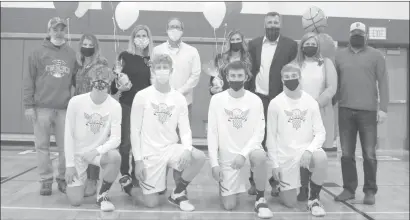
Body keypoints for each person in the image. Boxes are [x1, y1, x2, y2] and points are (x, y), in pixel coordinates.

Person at [130, 54, 206, 211]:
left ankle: (177, 193)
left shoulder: (179, 98)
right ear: (152, 70)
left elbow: (185, 129)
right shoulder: (142, 96)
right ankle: (128, 188)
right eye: (158, 67)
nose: (162, 71)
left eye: (165, 68)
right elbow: (135, 131)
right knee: (151, 203)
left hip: (170, 148)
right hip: (149, 152)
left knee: (198, 157)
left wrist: (186, 149)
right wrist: (138, 161)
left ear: (171, 70)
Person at [207, 61, 273, 219]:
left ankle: (260, 199)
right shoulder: (216, 100)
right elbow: (212, 133)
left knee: (260, 156)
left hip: (248, 153)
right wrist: (214, 164)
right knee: (229, 206)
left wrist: (243, 154)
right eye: (233, 76)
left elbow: (259, 132)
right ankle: (226, 184)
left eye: (240, 76)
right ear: (227, 77)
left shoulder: (255, 100)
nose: (236, 79)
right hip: (227, 158)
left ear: (246, 77)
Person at [334, 22, 389, 205]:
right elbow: (334, 85)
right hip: (345, 111)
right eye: (354, 33)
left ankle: (370, 191)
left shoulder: (376, 56)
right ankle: (349, 189)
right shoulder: (339, 56)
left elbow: (383, 82)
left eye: (360, 33)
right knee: (346, 153)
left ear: (366, 36)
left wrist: (383, 109)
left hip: (368, 112)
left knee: (369, 154)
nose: (357, 35)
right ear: (349, 35)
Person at [23, 17, 77, 196]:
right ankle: (46, 180)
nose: (59, 32)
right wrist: (28, 105)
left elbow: (77, 79)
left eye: (62, 29)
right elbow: (28, 79)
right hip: (42, 108)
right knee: (42, 147)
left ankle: (63, 179)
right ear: (48, 31)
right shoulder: (37, 52)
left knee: (65, 147)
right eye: (55, 29)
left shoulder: (71, 53)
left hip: (64, 109)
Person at [266, 63, 327, 217]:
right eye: (287, 77)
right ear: (282, 80)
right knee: (290, 203)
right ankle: (276, 182)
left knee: (321, 157)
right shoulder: (275, 103)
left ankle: (314, 199)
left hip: (305, 152)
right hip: (285, 156)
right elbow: (271, 137)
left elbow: (320, 132)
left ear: (300, 78)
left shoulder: (311, 102)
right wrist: (274, 164)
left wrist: (309, 150)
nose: (291, 80)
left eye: (294, 77)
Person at [247, 11, 298, 196]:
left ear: (280, 24)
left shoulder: (290, 45)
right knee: (257, 141)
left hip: (279, 100)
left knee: (279, 141)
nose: (272, 25)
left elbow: (292, 71)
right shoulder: (253, 44)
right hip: (258, 98)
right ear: (264, 24)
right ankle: (254, 181)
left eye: (276, 22)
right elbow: (249, 69)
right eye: (269, 22)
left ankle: (276, 181)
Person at [152, 17, 201, 195]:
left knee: (180, 145)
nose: (174, 29)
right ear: (166, 29)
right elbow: (153, 73)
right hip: (161, 105)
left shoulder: (192, 51)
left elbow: (195, 76)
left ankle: (180, 185)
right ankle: (159, 183)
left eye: (177, 27)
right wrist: (162, 94)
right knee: (162, 142)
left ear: (182, 30)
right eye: (171, 26)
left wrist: (178, 93)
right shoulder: (157, 50)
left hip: (183, 103)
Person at [64, 64, 122, 212]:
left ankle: (102, 195)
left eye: (104, 79)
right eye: (97, 79)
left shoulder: (115, 106)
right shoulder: (76, 102)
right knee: (76, 201)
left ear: (110, 82)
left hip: (97, 153)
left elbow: (116, 139)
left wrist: (97, 150)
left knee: (115, 157)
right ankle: (81, 181)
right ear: (91, 80)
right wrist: (69, 165)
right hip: (78, 154)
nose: (100, 83)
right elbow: (68, 135)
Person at [110, 25, 154, 196]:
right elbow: (114, 88)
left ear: (149, 38)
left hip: (146, 108)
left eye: (144, 35)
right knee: (126, 143)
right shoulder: (124, 56)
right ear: (132, 38)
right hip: (127, 105)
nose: (141, 38)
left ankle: (137, 176)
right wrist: (120, 85)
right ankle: (125, 175)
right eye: (138, 35)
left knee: (141, 144)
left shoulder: (151, 59)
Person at [293, 32, 337, 201]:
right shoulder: (296, 64)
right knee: (301, 151)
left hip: (320, 112)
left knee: (317, 153)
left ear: (318, 46)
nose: (309, 46)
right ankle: (303, 188)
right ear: (302, 46)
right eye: (306, 43)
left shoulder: (326, 63)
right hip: (300, 113)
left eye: (313, 43)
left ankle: (315, 189)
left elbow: (332, 87)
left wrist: (316, 104)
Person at [74, 33, 109, 197]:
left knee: (94, 145)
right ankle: (81, 178)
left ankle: (93, 180)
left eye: (90, 44)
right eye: (84, 44)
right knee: (81, 144)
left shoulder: (101, 64)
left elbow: (103, 88)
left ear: (95, 47)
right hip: (80, 111)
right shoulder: (79, 64)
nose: (87, 47)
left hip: (95, 111)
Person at [207, 30, 252, 95]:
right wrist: (212, 90)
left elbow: (251, 82)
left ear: (242, 41)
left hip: (243, 96)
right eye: (232, 39)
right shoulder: (220, 58)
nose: (235, 41)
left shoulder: (248, 59)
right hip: (224, 96)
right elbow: (213, 80)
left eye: (238, 39)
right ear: (229, 42)